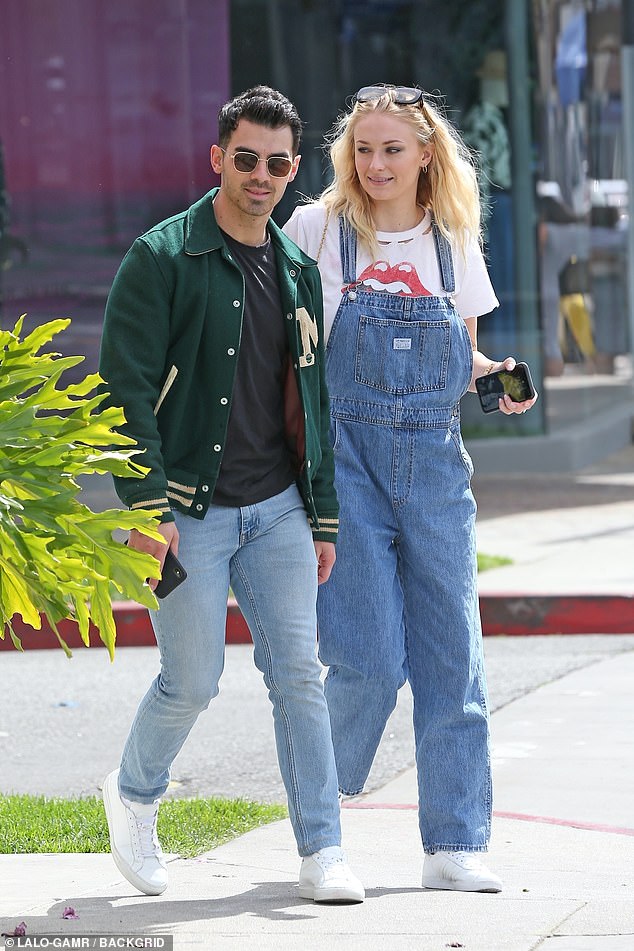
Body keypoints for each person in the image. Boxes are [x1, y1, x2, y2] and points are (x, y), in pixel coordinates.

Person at [98, 85, 364, 904]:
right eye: (246, 158)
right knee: (193, 680)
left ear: (292, 171)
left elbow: (312, 401)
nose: (261, 176)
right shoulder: (160, 258)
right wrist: (147, 510)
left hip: (278, 507)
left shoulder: (297, 270)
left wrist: (322, 515)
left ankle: (324, 848)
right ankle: (133, 792)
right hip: (187, 508)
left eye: (278, 164)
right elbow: (124, 392)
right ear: (217, 158)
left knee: (300, 675)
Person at [283, 83, 538, 894]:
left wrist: (498, 377)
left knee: (453, 657)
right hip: (345, 466)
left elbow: (461, 358)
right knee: (365, 659)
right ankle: (321, 831)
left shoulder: (455, 241)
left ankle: (455, 842)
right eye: (363, 149)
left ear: (427, 153)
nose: (375, 164)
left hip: (435, 468)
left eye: (392, 149)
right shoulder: (316, 230)